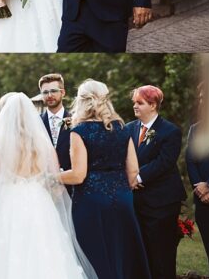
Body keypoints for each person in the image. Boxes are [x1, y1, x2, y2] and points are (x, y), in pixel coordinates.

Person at [0, 93, 97, 279]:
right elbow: (55, 181)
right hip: (39, 203)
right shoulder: (43, 143)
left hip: (8, 205)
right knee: (45, 254)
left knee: (8, 254)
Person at [61, 79, 151, 279]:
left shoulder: (79, 131)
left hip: (90, 202)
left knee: (94, 255)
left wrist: (53, 176)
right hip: (123, 199)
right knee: (121, 252)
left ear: (81, 101)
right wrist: (120, 188)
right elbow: (133, 170)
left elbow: (78, 175)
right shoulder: (122, 128)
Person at [127, 85, 187, 279]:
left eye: (140, 103)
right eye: (134, 102)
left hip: (162, 202)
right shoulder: (129, 128)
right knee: (140, 252)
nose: (135, 106)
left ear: (153, 105)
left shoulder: (170, 131)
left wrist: (136, 177)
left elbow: (165, 162)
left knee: (161, 253)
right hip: (136, 201)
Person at [186, 83, 209, 275]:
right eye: (202, 97)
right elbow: (190, 161)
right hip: (202, 199)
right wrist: (200, 188)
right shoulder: (195, 129)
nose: (203, 100)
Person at [38, 73, 71, 172]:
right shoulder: (36, 122)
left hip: (72, 183)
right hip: (43, 182)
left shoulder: (76, 120)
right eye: (45, 92)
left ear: (63, 92)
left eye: (53, 91)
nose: (49, 95)